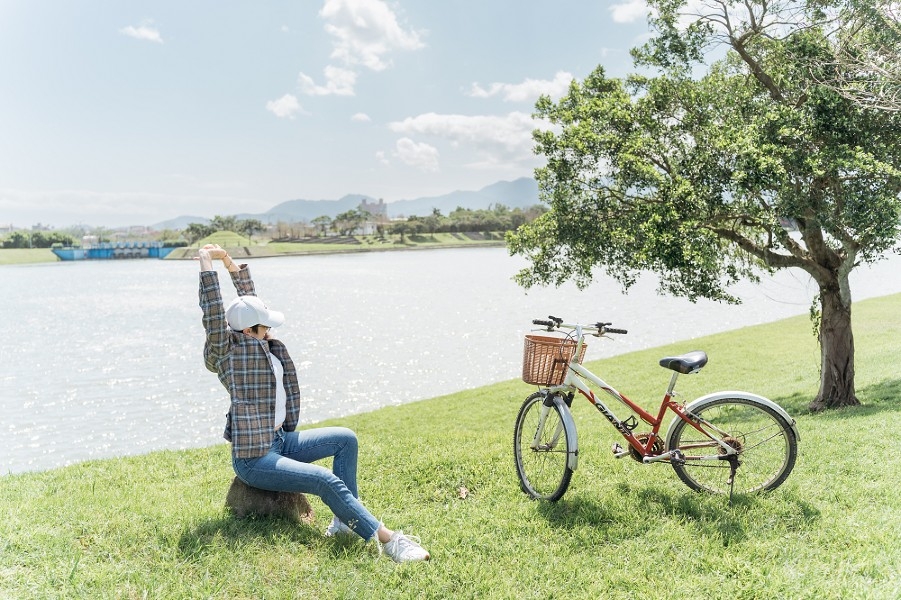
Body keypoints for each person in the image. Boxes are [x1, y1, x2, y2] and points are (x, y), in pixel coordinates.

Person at [197, 243, 429, 563]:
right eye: (264, 326)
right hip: (254, 456)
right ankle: (389, 542)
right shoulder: (228, 355)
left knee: (345, 439)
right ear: (249, 331)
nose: (271, 329)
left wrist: (230, 264)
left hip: (280, 440)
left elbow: (251, 304)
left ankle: (344, 525)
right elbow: (213, 315)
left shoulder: (261, 343)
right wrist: (206, 264)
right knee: (324, 480)